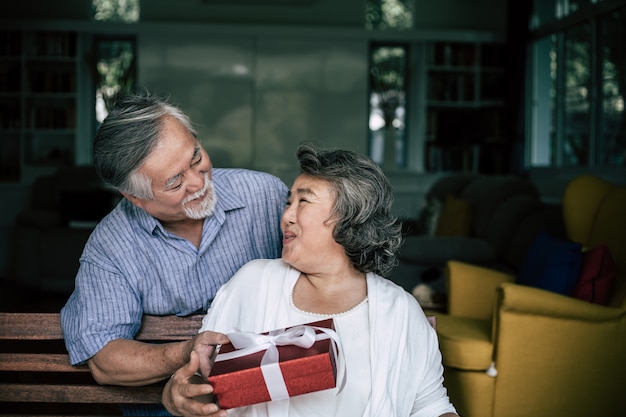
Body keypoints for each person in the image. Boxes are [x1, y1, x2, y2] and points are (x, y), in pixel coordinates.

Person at [163, 143, 459, 417]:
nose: (286, 216)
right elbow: (206, 386)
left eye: (303, 201)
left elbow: (431, 406)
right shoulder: (253, 283)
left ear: (349, 217)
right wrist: (177, 396)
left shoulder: (400, 311)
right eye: (287, 202)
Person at [60, 92, 288, 415]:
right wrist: (184, 353)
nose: (199, 182)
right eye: (175, 181)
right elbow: (104, 359)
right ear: (134, 197)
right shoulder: (110, 247)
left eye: (196, 157)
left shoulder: (266, 196)